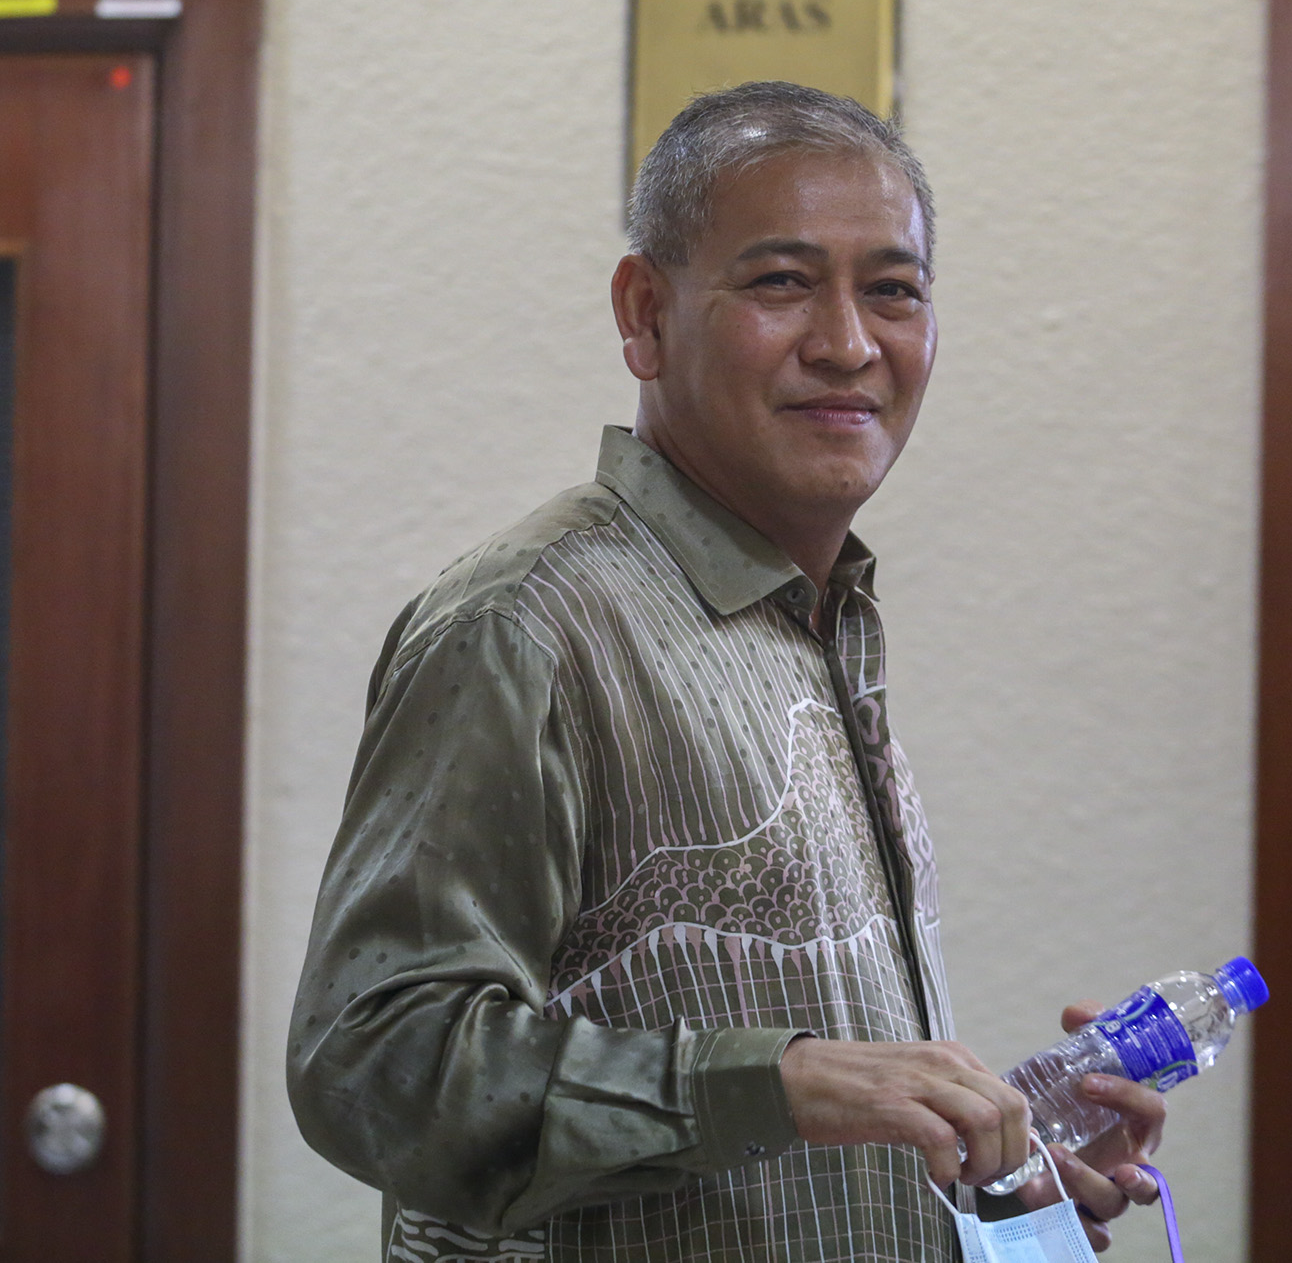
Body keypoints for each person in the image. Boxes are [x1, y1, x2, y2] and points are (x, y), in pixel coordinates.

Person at [288, 81, 1166, 1263]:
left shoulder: (817, 621)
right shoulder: (529, 626)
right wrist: (781, 1081)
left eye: (892, 290)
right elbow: (370, 1066)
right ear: (644, 313)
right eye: (780, 283)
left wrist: (994, 1188)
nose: (849, 344)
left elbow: (787, 1148)